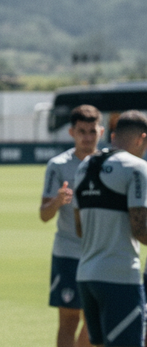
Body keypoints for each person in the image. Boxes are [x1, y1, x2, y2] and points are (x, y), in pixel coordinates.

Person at [73, 110, 147, 347]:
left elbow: (79, 228)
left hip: (86, 276)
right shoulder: (136, 168)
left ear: (114, 136)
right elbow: (140, 229)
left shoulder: (84, 166)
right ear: (141, 138)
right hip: (119, 277)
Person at [40, 105, 102, 347]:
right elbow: (44, 215)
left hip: (100, 253)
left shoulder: (109, 164)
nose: (87, 137)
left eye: (92, 131)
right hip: (68, 253)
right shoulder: (58, 165)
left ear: (101, 131)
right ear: (71, 133)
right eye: (81, 131)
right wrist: (57, 201)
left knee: (95, 321)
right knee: (68, 320)